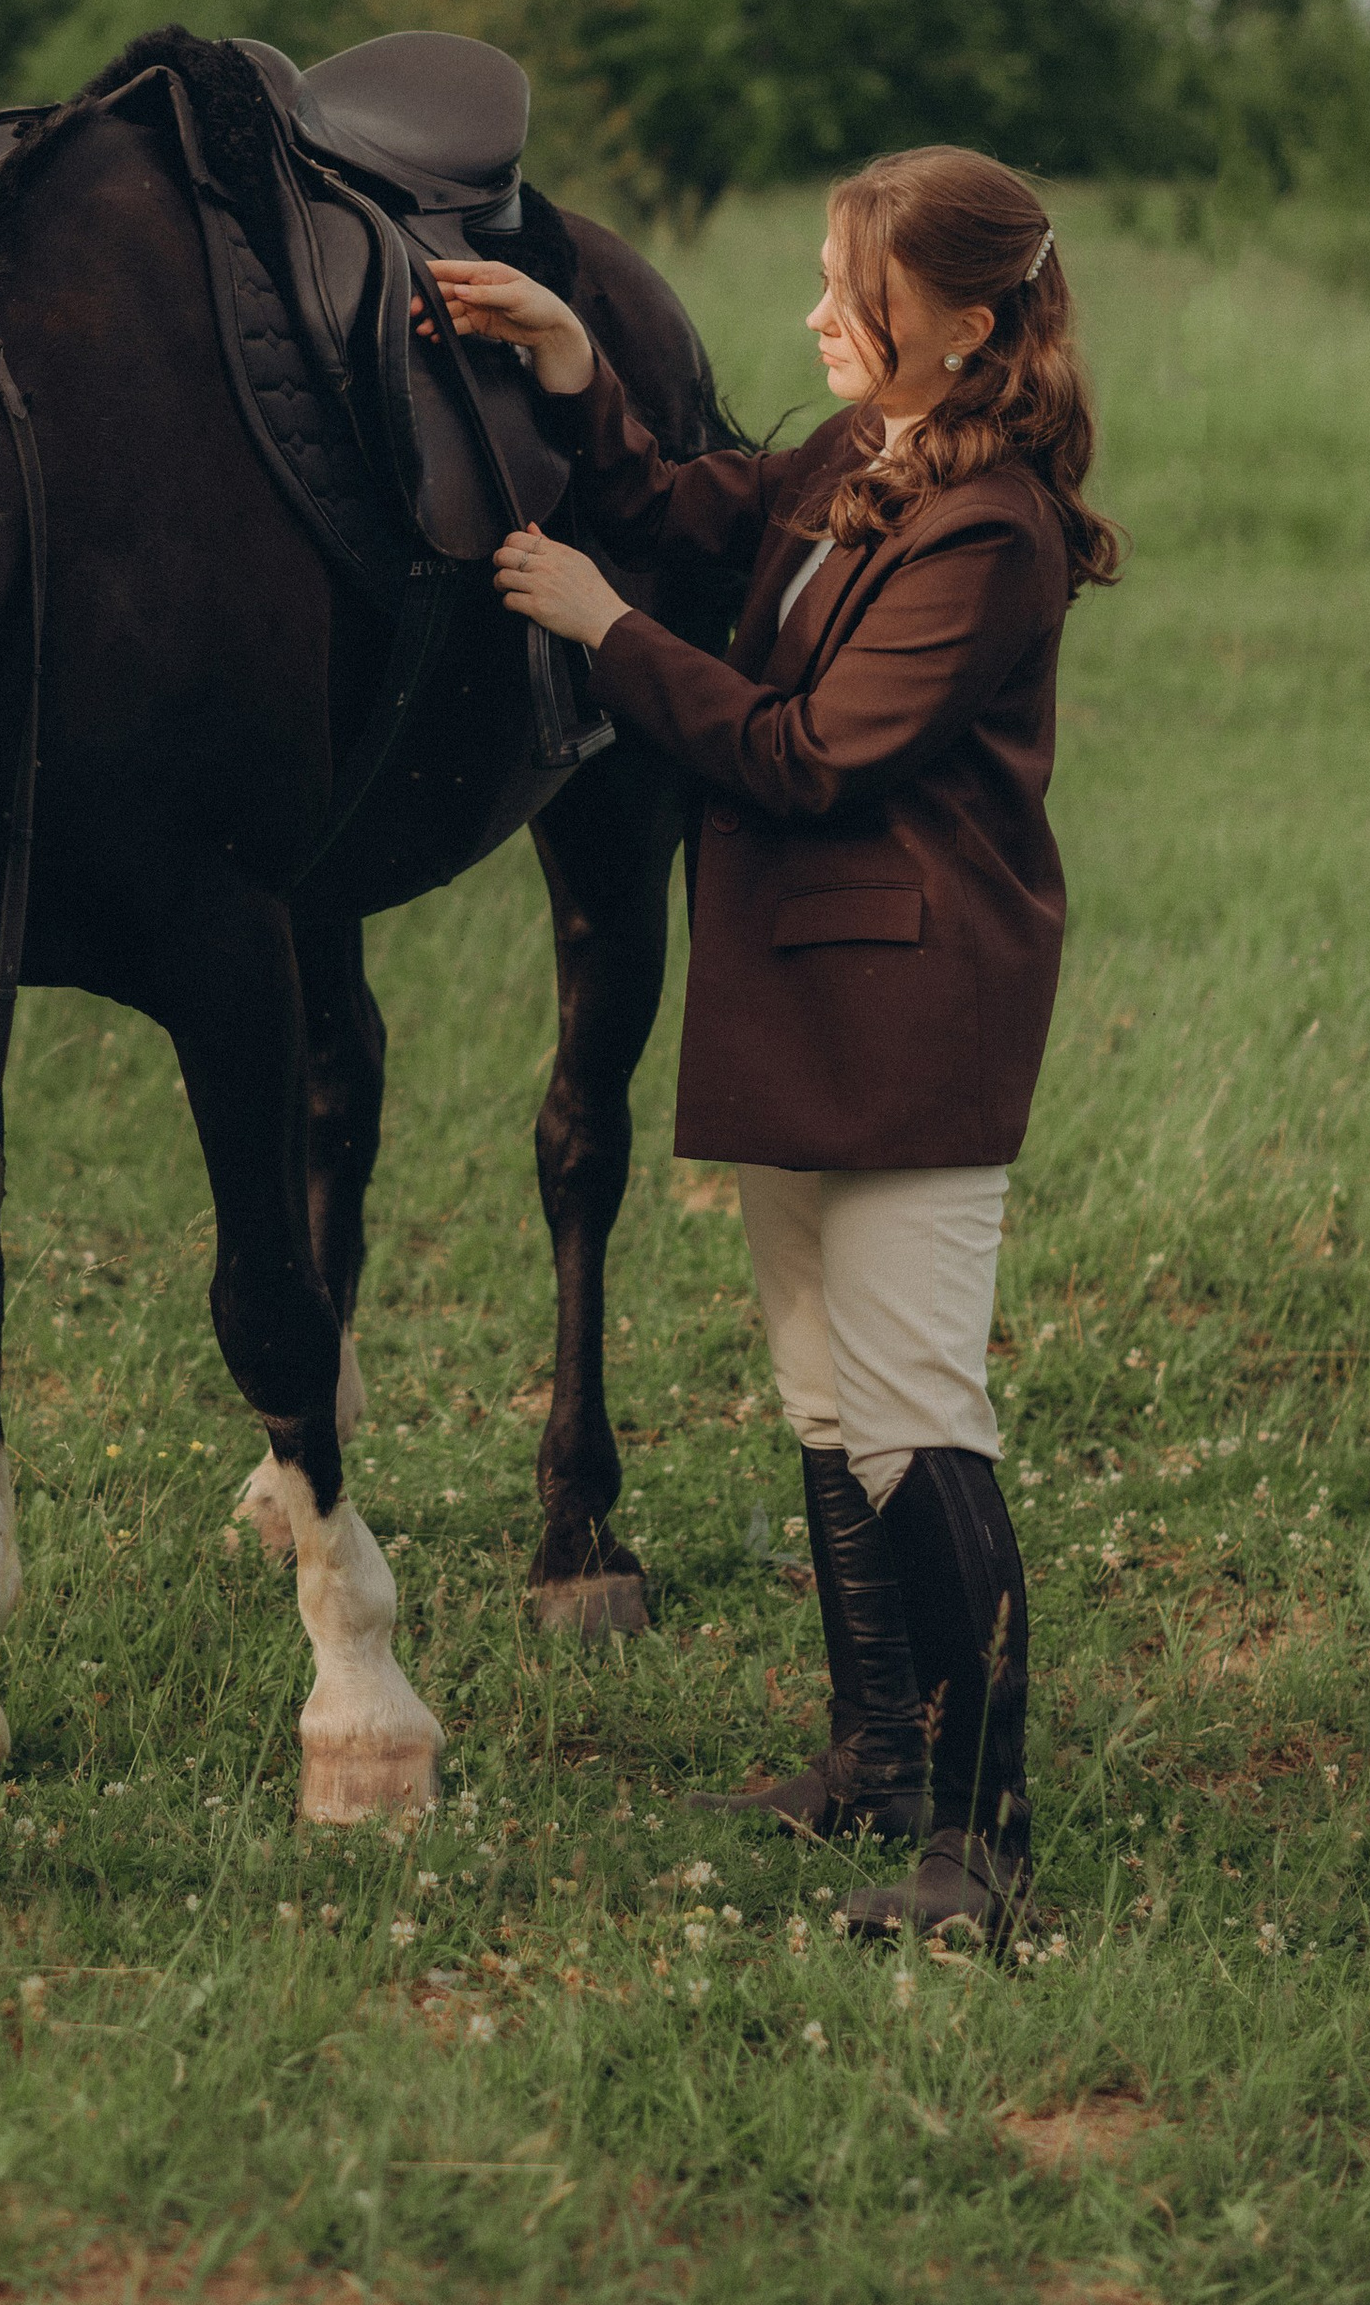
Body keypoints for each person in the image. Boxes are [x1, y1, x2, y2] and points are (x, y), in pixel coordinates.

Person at [426, 149, 1120, 1949]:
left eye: (853, 292)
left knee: (917, 1417)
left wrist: (607, 635)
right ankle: (877, 1760)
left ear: (967, 323)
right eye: (821, 275)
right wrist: (573, 356)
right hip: (805, 996)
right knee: (827, 1397)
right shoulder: (858, 455)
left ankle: (983, 1849)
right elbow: (673, 501)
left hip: (909, 1014)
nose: (817, 314)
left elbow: (811, 755)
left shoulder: (990, 532)